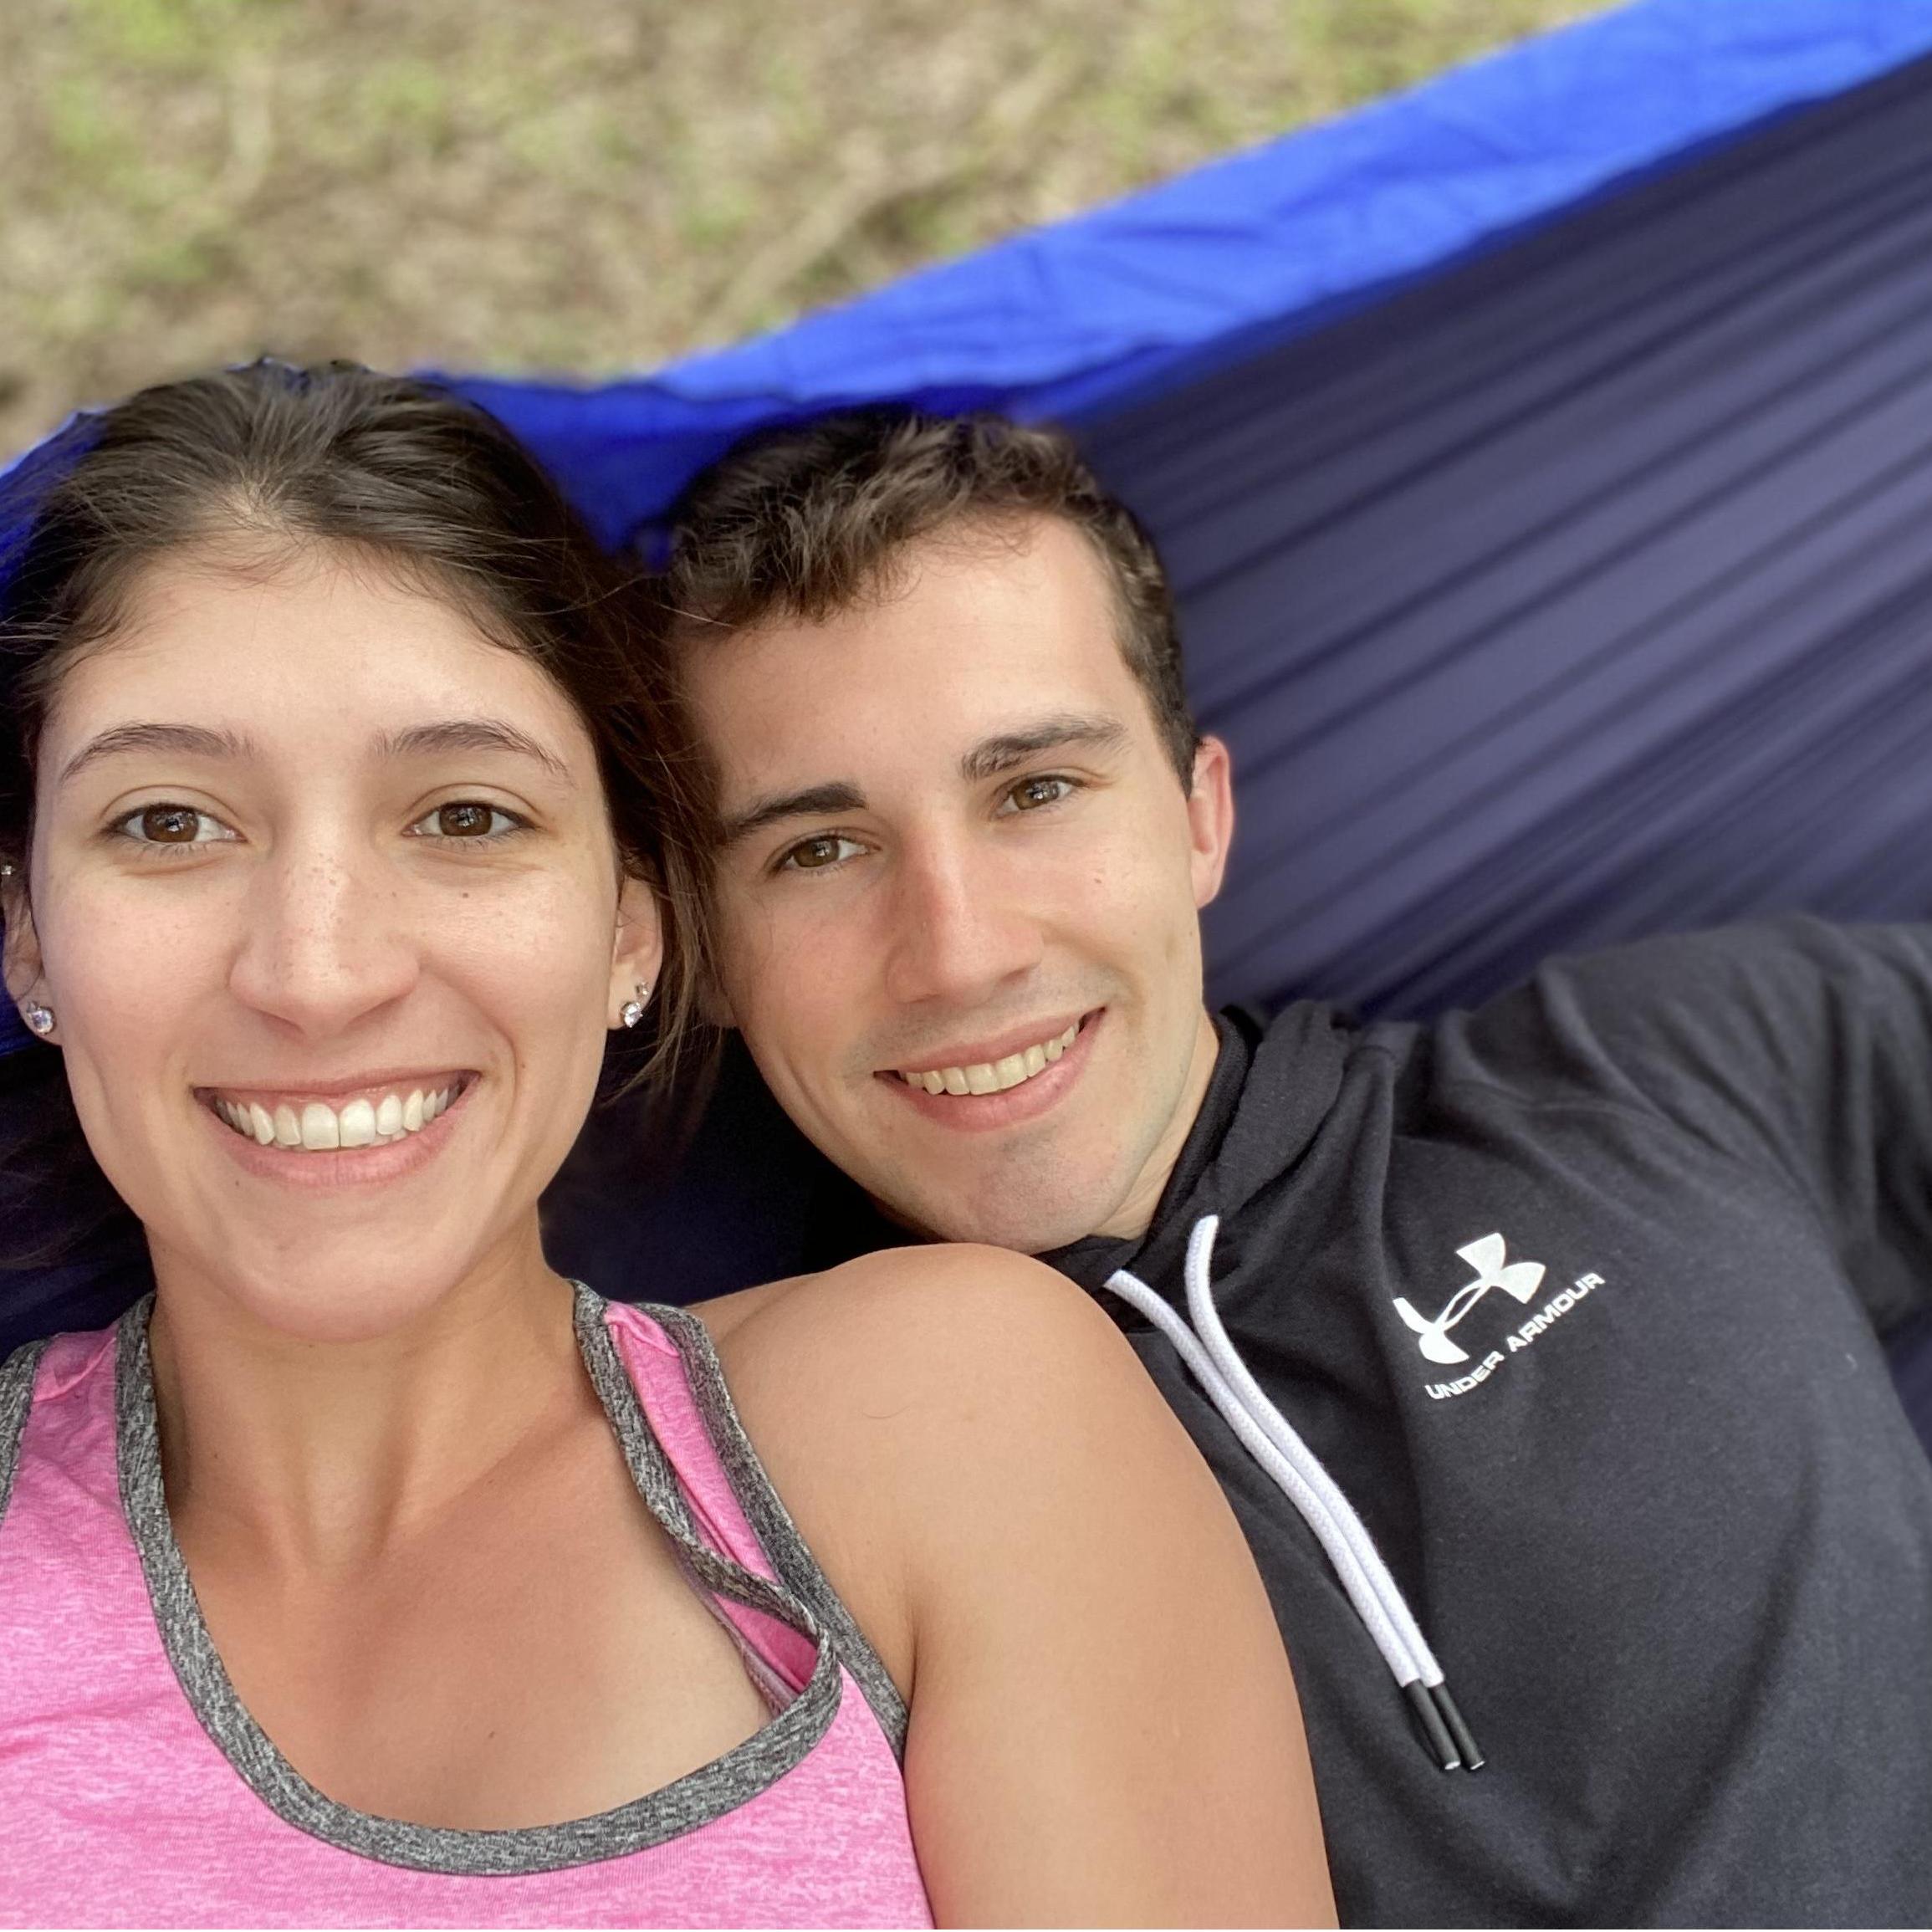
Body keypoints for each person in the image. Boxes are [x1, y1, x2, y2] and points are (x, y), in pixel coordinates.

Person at [0, 366, 1333, 1929]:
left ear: (633, 922)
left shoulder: (942, 1420)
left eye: (465, 816)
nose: (319, 972)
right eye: (168, 822)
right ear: (27, 935)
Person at [649, 406, 1932, 1927]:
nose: (959, 949)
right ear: (699, 949)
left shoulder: (1649, 1075)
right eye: (818, 850)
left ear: (1198, 816)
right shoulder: (737, 1493)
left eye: (1037, 791)